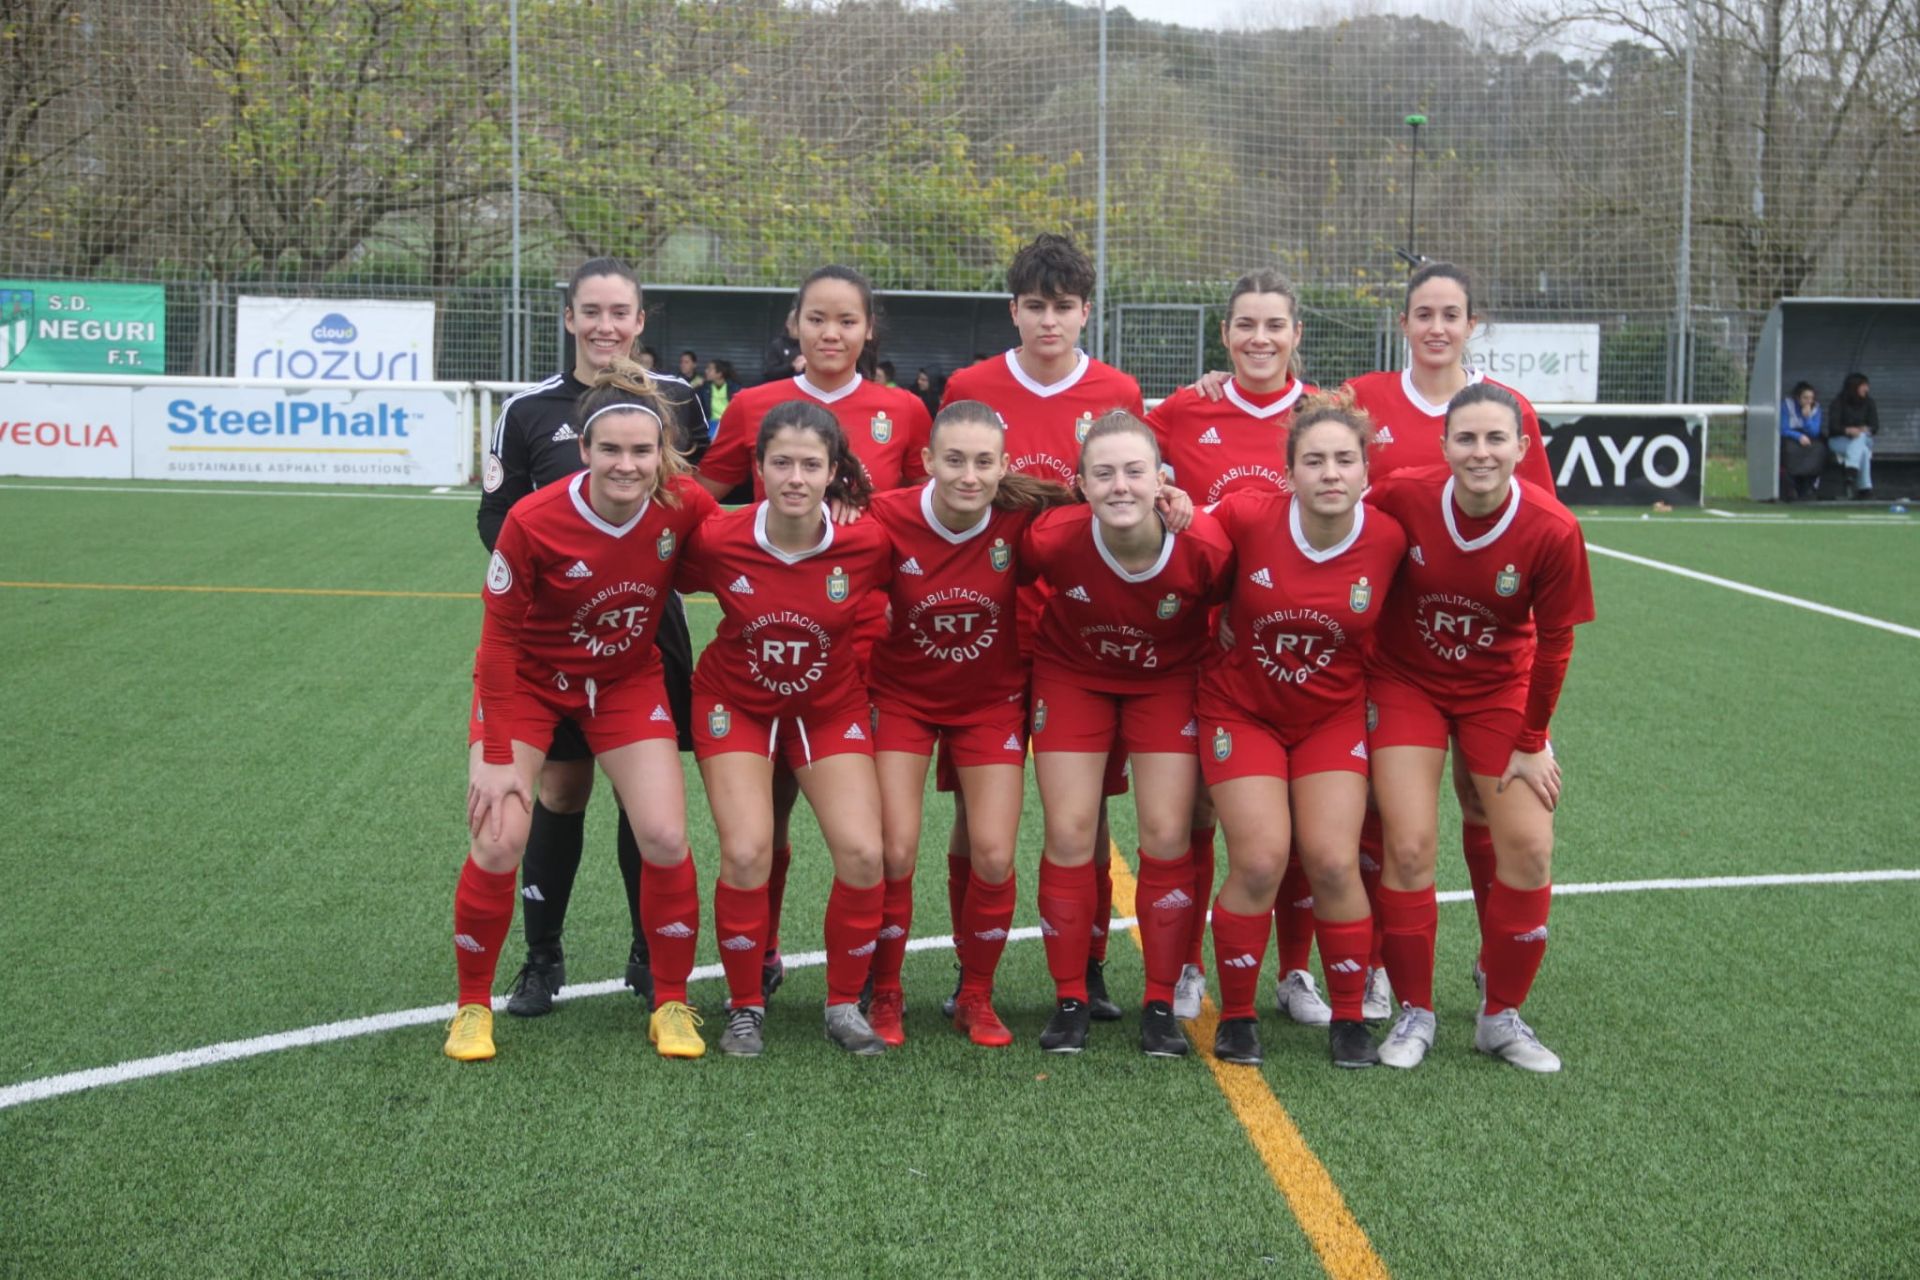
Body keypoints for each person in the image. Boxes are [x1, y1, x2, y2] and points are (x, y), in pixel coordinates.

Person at [445, 367, 721, 1063]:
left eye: (641, 451)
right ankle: (472, 1007)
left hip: (626, 683)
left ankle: (671, 1002)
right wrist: (499, 753)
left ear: (661, 452)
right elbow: (497, 644)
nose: (626, 465)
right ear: (585, 452)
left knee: (662, 834)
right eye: (611, 450)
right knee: (500, 835)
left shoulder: (681, 506)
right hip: (532, 686)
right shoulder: (533, 520)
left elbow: (744, 546)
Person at [698, 264, 933, 998]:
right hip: (770, 644)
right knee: (761, 821)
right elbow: (699, 504)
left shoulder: (905, 411)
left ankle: (864, 984)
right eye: (817, 319)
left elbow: (922, 518)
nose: (832, 333)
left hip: (862, 652)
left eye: (848, 321)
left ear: (869, 332)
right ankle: (760, 955)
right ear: (794, 326)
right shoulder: (755, 405)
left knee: (869, 837)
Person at [941, 232, 1147, 1021]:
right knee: (976, 815)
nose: (1049, 322)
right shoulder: (971, 384)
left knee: (1083, 812)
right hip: (986, 629)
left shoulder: (1119, 391)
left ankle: (1087, 964)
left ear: (1085, 311)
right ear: (1013, 310)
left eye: (1064, 308)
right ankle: (971, 970)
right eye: (1035, 307)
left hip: (1080, 632)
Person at [1362, 382, 1595, 1073]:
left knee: (1529, 847)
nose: (1481, 452)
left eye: (1497, 439)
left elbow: (1555, 645)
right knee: (1408, 846)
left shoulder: (1552, 529)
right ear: (1444, 445)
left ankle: (1500, 1015)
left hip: (1499, 689)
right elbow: (1335, 521)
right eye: (1466, 438)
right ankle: (1414, 1011)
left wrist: (1531, 739)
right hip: (1407, 682)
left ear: (1523, 449)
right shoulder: (1403, 493)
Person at [677, 401, 894, 1057]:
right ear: (758, 467)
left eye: (810, 464)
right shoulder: (718, 538)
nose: (795, 477)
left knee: (863, 853)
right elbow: (650, 556)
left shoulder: (868, 540)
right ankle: (745, 1006)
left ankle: (842, 1005)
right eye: (781, 462)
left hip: (827, 707)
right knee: (747, 850)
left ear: (833, 472)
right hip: (734, 703)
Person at [1199, 393, 1407, 1069]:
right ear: (1288, 471)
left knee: (1332, 861)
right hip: (1243, 709)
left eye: (1345, 459)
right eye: (1313, 460)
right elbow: (1184, 563)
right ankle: (1235, 1015)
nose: (1330, 473)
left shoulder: (1388, 537)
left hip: (1330, 716)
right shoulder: (1246, 515)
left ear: (1366, 470)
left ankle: (1350, 1017)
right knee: (1261, 860)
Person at [1147, 266, 1328, 1029]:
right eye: (1245, 325)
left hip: (1284, 654)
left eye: (1274, 325)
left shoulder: (1325, 417)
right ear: (1223, 335)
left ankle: (1293, 972)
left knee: (1289, 819)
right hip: (1194, 642)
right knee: (1194, 814)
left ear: (1296, 336)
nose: (1260, 339)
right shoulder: (1184, 412)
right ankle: (1188, 964)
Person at [1022, 412, 1232, 1056]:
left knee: (1167, 834)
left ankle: (1161, 1001)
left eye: (1135, 472)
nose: (1120, 486)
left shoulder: (1204, 545)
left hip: (1165, 680)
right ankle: (1070, 997)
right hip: (1073, 676)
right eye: (1103, 473)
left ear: (1162, 480)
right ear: (1080, 485)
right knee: (1069, 831)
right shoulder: (1052, 537)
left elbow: (1237, 592)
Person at [865, 401, 1075, 1047]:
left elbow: (1099, 510)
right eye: (953, 459)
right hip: (902, 698)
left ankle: (974, 995)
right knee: (894, 849)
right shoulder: (885, 516)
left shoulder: (1021, 517)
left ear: (1004, 465)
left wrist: (1167, 495)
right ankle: (887, 991)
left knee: (992, 852)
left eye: (985, 462)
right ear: (927, 461)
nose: (969, 475)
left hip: (989, 702)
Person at [1827, 373, 1878, 499]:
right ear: (1854, 387)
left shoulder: (1869, 403)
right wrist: (1848, 430)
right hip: (1839, 440)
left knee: (1860, 438)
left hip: (1864, 439)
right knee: (1864, 452)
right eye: (1863, 386)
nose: (1867, 389)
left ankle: (1851, 471)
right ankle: (1865, 488)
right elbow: (1833, 427)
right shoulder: (1838, 402)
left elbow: (1875, 426)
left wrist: (1865, 429)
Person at [1779, 381, 1826, 501]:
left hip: (1809, 437)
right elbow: (1783, 428)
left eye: (1811, 398)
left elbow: (1814, 432)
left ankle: (1809, 487)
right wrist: (1798, 436)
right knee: (1789, 451)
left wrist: (1807, 418)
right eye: (1805, 398)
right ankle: (1790, 488)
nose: (1808, 401)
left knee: (1818, 450)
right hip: (1790, 436)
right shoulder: (1786, 405)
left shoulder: (1816, 409)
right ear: (1797, 397)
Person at [759, 307, 805, 385]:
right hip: (780, 389)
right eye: (795, 324)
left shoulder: (810, 346)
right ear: (788, 324)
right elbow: (769, 372)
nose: (798, 328)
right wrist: (792, 366)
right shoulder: (777, 345)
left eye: (801, 325)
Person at [703, 359, 740, 427]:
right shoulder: (705, 388)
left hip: (729, 424)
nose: (706, 371)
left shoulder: (733, 388)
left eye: (710, 369)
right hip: (711, 424)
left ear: (719, 374)